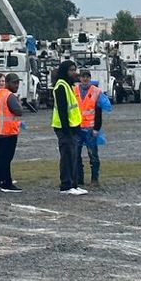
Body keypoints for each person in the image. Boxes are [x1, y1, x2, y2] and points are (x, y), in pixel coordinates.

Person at [52, 60, 86, 196]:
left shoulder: (68, 85)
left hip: (72, 126)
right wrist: (66, 128)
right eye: (71, 70)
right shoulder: (61, 86)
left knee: (73, 156)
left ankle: (74, 184)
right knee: (66, 156)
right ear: (65, 71)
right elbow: (62, 110)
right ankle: (66, 185)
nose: (73, 73)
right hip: (64, 127)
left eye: (74, 70)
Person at [74, 70, 112, 189]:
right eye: (83, 77)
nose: (85, 79)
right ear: (80, 78)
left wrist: (97, 128)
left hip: (90, 128)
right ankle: (79, 179)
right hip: (77, 127)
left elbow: (99, 111)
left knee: (93, 155)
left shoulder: (96, 92)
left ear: (90, 78)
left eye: (87, 77)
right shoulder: (74, 90)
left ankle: (94, 179)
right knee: (76, 155)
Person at [0, 72, 25, 192]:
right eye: (14, 83)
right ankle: (6, 182)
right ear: (7, 83)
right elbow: (18, 111)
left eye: (18, 83)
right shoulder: (9, 96)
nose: (17, 85)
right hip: (7, 132)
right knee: (6, 158)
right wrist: (19, 103)